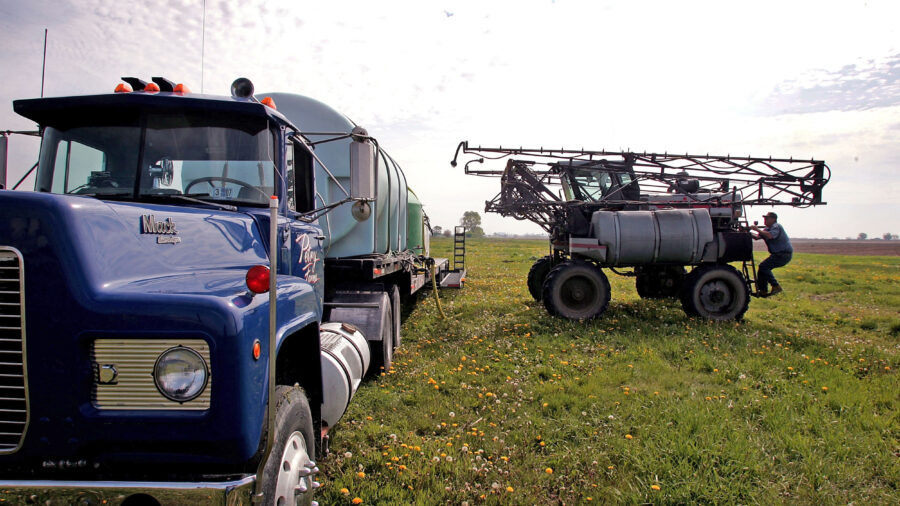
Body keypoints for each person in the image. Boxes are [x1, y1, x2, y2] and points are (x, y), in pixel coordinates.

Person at [750, 212, 792, 297]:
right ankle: (763, 291)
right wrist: (747, 232)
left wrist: (757, 229)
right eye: (765, 218)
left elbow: (770, 236)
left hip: (783, 254)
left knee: (764, 267)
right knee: (762, 268)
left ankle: (776, 286)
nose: (765, 220)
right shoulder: (767, 228)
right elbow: (757, 237)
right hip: (778, 254)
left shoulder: (776, 226)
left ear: (773, 219)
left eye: (767, 218)